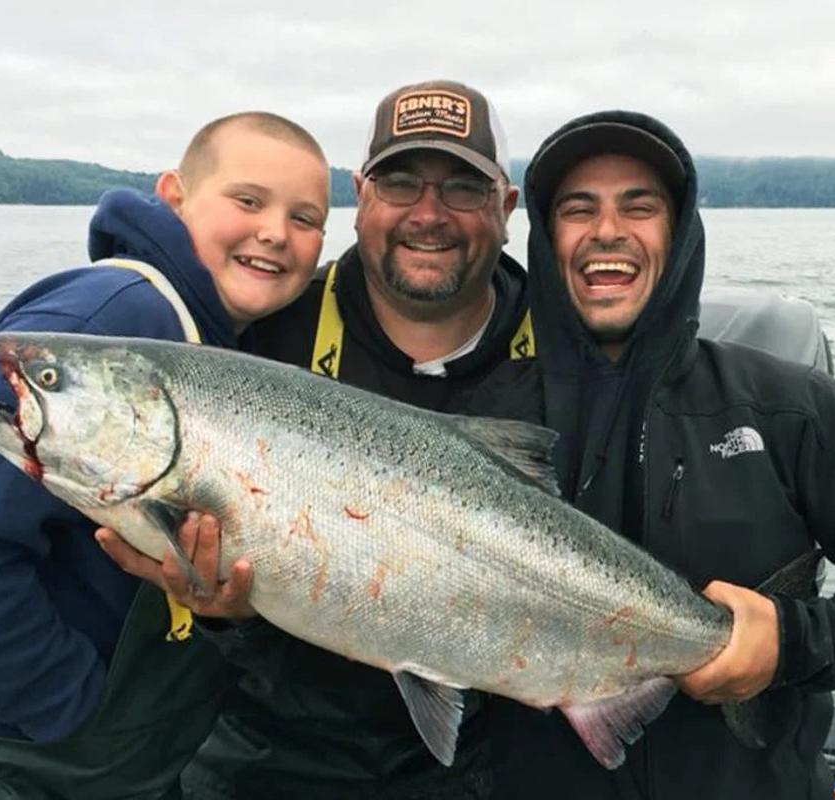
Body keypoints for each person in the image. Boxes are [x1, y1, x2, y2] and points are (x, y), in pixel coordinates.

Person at [486, 110, 835, 798]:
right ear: (545, 240)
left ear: (680, 231)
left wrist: (796, 641)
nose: (607, 230)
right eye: (579, 209)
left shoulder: (786, 407)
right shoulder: (484, 416)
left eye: (640, 206)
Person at [0, 111, 331, 799]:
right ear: (174, 196)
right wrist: (70, 706)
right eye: (248, 200)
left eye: (306, 217)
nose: (274, 231)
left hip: (92, 755)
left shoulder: (219, 343)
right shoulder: (109, 317)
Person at [98, 80, 540, 800]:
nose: (428, 214)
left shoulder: (568, 356)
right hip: (264, 752)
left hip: (495, 759)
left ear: (507, 206)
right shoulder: (256, 338)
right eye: (400, 183)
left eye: (463, 187)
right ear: (361, 194)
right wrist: (227, 615)